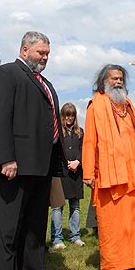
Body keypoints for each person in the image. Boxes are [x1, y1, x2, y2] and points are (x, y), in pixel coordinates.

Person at [0, 31, 67, 270]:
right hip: (13, 169)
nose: (45, 57)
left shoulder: (44, 83)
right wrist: (7, 158)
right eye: (40, 52)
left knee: (34, 233)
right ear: (24, 49)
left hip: (39, 170)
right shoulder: (6, 74)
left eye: (47, 53)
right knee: (7, 234)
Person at [82, 64, 135, 270]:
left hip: (133, 173)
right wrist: (88, 172)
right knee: (112, 222)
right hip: (110, 174)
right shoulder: (96, 105)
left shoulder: (128, 104)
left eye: (121, 78)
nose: (118, 82)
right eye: (113, 78)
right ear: (104, 81)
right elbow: (90, 140)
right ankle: (112, 266)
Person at [50, 102, 85, 249]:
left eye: (72, 115)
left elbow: (85, 150)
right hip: (61, 172)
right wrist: (67, 163)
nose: (69, 118)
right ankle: (57, 238)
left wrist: (78, 161)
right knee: (57, 206)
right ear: (62, 116)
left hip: (76, 174)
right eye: (67, 115)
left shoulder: (80, 132)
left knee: (75, 206)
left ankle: (75, 235)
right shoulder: (57, 132)